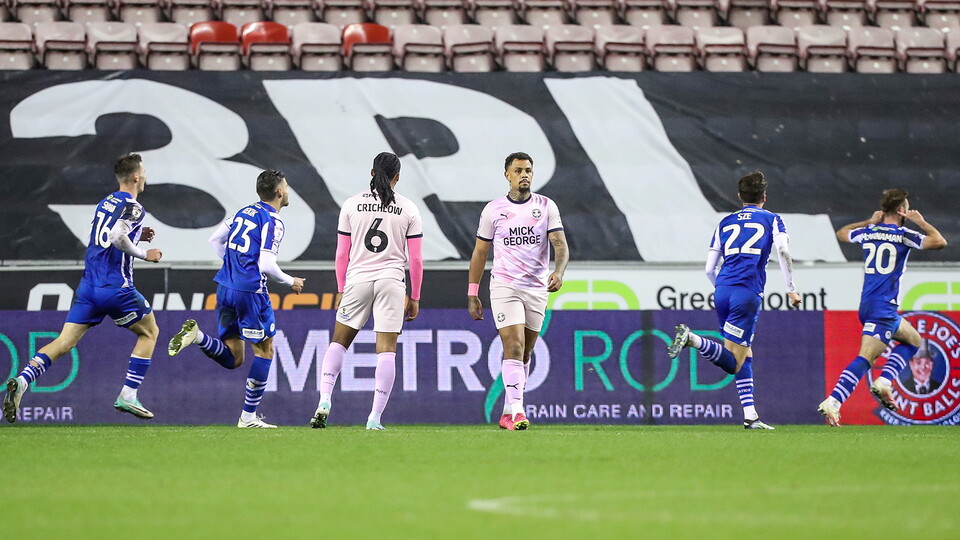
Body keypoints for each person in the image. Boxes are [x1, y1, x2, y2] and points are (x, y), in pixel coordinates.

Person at [3, 153, 163, 423]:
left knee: (64, 342)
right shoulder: (134, 207)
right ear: (135, 176)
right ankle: (128, 394)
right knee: (150, 332)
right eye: (144, 171)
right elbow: (116, 236)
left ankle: (23, 380)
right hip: (115, 287)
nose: (146, 175)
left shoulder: (105, 203)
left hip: (89, 286)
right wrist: (144, 253)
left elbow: (105, 235)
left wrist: (137, 234)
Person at [167, 170, 305, 428]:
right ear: (279, 192)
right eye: (286, 187)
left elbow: (214, 240)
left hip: (224, 287)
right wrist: (290, 281)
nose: (287, 191)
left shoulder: (243, 212)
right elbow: (266, 264)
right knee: (265, 351)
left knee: (235, 357)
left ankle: (197, 337)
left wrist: (235, 266)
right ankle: (248, 418)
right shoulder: (273, 220)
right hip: (249, 293)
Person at [667, 171, 801, 430]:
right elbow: (783, 251)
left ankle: (750, 416)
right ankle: (693, 339)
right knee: (733, 362)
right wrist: (791, 289)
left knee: (744, 351)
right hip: (746, 293)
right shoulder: (772, 219)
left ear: (740, 196)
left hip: (722, 291)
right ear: (764, 197)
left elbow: (709, 268)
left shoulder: (725, 222)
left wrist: (723, 288)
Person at [310, 152, 423, 431]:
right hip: (391, 281)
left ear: (372, 173)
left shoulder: (352, 204)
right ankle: (374, 418)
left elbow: (341, 254)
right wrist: (415, 296)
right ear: (398, 177)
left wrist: (340, 288)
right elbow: (417, 260)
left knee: (338, 343)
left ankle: (325, 400)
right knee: (386, 352)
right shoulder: (408, 208)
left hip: (358, 280)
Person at [819, 189, 947, 426]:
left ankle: (885, 380)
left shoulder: (868, 232)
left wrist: (869, 222)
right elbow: (939, 242)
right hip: (883, 309)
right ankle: (834, 401)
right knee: (866, 358)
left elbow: (842, 233)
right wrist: (920, 221)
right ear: (901, 211)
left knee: (914, 340)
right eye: (907, 208)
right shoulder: (904, 235)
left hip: (868, 305)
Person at [467, 152, 569, 431]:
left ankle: (506, 413)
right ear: (507, 175)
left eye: (528, 170)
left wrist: (559, 272)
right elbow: (480, 252)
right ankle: (518, 412)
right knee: (513, 346)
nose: (524, 175)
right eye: (518, 170)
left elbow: (560, 244)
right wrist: (472, 291)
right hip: (505, 285)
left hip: (536, 288)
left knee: (525, 353)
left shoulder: (546, 206)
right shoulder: (493, 210)